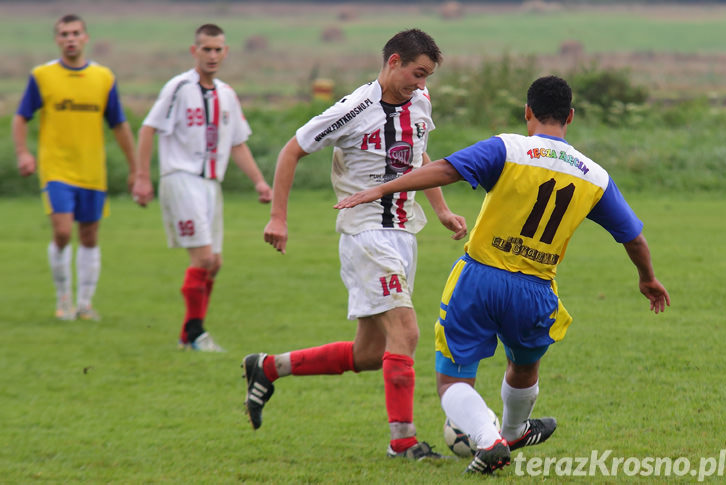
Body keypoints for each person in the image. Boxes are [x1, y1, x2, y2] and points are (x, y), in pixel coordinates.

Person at [334, 75, 670, 474]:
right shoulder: (594, 176)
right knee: (524, 367)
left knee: (453, 380)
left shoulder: (509, 148)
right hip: (537, 290)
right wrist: (647, 278)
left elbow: (443, 170)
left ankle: (489, 439)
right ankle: (511, 431)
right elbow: (633, 237)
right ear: (571, 117)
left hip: (479, 279)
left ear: (528, 112)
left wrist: (381, 189)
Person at [243, 28, 467, 460]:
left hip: (403, 232)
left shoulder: (420, 102)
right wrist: (278, 217)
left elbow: (419, 155)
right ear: (394, 61)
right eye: (417, 74)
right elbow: (292, 150)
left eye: (427, 78)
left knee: (370, 353)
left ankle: (269, 367)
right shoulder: (355, 108)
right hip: (365, 233)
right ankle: (402, 442)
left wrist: (440, 209)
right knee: (406, 331)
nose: (421, 85)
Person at [135, 24, 272, 352]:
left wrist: (259, 181)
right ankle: (195, 334)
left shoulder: (226, 93)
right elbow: (148, 128)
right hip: (181, 178)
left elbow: (237, 143)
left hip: (211, 184)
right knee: (204, 258)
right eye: (206, 49)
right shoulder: (179, 87)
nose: (212, 55)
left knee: (215, 262)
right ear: (194, 51)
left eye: (217, 49)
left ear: (225, 52)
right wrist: (141, 177)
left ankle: (189, 335)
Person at [12, 14, 142, 321]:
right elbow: (20, 117)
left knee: (89, 236)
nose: (70, 38)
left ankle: (85, 304)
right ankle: (63, 299)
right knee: (61, 231)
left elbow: (119, 125)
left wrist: (136, 168)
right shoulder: (42, 76)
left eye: (75, 33)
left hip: (92, 171)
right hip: (56, 169)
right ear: (57, 40)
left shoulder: (103, 78)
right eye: (64, 34)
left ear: (86, 38)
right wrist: (22, 153)